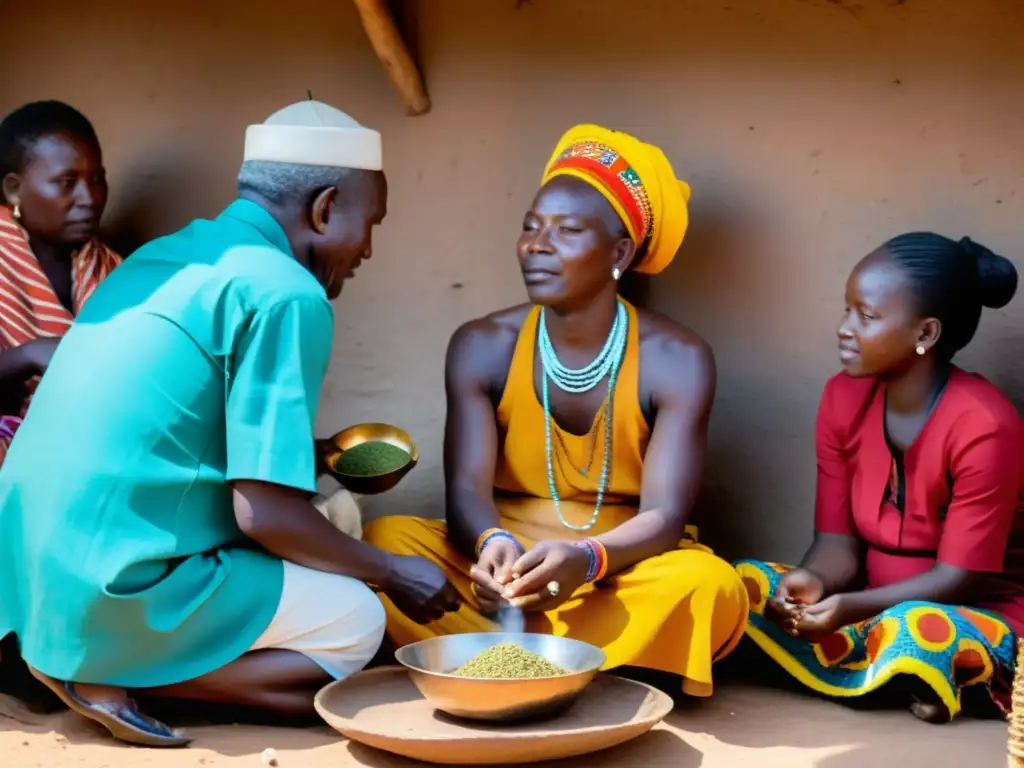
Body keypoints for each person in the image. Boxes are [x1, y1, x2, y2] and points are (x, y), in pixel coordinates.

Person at [0, 100, 460, 748]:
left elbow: (184, 434)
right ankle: (110, 673)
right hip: (112, 580)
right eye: (371, 222)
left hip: (29, 567)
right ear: (325, 208)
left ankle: (73, 655)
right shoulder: (286, 291)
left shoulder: (165, 256)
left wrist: (321, 456)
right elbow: (265, 514)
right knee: (356, 621)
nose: (369, 249)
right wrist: (392, 572)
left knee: (329, 530)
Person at [364, 124, 749, 697]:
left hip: (614, 568)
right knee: (385, 540)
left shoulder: (678, 359)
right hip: (504, 568)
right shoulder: (482, 344)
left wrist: (586, 559)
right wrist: (490, 545)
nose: (536, 245)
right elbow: (467, 492)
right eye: (530, 227)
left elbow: (665, 517)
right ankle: (580, 660)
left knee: (710, 585)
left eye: (566, 231)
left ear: (620, 252)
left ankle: (514, 652)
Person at [735, 232, 1024, 723]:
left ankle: (908, 670)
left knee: (918, 630)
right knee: (745, 585)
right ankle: (903, 679)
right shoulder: (842, 399)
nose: (845, 329)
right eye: (847, 310)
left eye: (866, 317)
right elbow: (835, 544)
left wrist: (851, 607)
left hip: (971, 609)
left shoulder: (985, 426)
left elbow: (957, 578)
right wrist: (813, 582)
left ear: (926, 334)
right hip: (866, 603)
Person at [0, 101, 121, 467]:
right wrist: (26, 356)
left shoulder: (113, 269)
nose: (90, 199)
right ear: (14, 190)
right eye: (66, 183)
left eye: (97, 179)